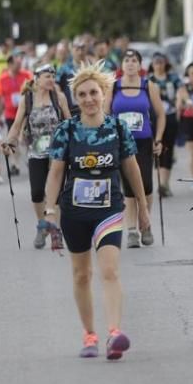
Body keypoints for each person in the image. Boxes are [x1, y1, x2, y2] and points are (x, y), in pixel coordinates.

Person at [43, 67, 149, 359]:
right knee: (81, 275)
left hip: (110, 210)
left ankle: (114, 333)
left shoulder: (117, 128)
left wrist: (142, 207)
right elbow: (55, 174)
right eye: (82, 94)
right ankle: (90, 334)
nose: (89, 99)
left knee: (110, 271)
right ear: (75, 99)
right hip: (75, 212)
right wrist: (49, 212)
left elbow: (131, 168)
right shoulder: (67, 131)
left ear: (104, 94)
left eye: (94, 93)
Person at [2, 64, 71, 248]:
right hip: (36, 151)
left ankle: (55, 229)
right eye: (47, 76)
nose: (51, 79)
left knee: (55, 193)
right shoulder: (28, 100)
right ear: (37, 79)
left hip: (57, 153)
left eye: (53, 76)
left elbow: (70, 122)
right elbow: (17, 125)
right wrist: (10, 143)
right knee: (37, 192)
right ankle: (42, 225)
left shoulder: (59, 97)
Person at [106, 49, 165, 248]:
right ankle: (131, 230)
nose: (130, 64)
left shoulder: (149, 86)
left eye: (134, 60)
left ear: (140, 65)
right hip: (120, 144)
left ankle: (145, 224)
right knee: (129, 188)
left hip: (143, 142)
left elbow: (160, 115)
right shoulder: (113, 87)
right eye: (127, 60)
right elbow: (105, 115)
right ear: (121, 65)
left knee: (146, 185)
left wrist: (158, 139)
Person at [148, 52, 181, 197]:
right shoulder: (148, 80)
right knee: (157, 149)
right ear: (152, 64)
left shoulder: (172, 78)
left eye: (161, 62)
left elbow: (181, 92)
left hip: (170, 115)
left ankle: (164, 184)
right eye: (156, 62)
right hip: (154, 118)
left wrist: (180, 103)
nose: (159, 65)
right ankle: (161, 183)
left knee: (168, 149)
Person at [176, 62, 193, 186]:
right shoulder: (183, 88)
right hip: (188, 122)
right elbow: (180, 106)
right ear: (188, 74)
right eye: (192, 73)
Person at [58, 40, 94, 115]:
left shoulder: (93, 67)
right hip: (73, 110)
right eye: (77, 49)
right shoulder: (64, 69)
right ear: (71, 51)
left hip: (92, 106)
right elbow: (57, 85)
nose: (80, 52)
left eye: (82, 49)